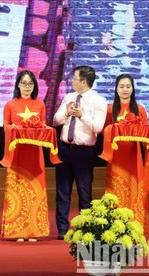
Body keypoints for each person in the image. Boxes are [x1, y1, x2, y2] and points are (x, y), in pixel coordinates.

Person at [103, 73, 149, 234]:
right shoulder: (110, 109)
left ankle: (135, 226)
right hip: (116, 158)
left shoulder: (139, 109)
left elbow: (146, 132)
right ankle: (115, 227)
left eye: (128, 86)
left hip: (134, 157)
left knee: (135, 190)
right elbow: (105, 131)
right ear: (116, 89)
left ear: (133, 88)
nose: (125, 89)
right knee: (115, 191)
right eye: (121, 86)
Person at [53, 65, 106, 240]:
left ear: (83, 81)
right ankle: (62, 228)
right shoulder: (69, 97)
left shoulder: (99, 101)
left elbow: (98, 128)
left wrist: (82, 115)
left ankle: (84, 227)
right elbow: (55, 119)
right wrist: (67, 114)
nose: (72, 81)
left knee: (84, 192)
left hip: (84, 152)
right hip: (65, 149)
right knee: (62, 191)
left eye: (74, 78)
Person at [0, 70, 49, 241]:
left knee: (35, 189)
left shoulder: (40, 104)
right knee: (18, 190)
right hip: (17, 153)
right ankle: (18, 231)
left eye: (30, 84)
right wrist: (14, 128)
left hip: (35, 153)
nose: (27, 87)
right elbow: (5, 126)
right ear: (18, 85)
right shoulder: (10, 104)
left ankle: (33, 230)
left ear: (34, 86)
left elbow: (43, 126)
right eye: (24, 83)